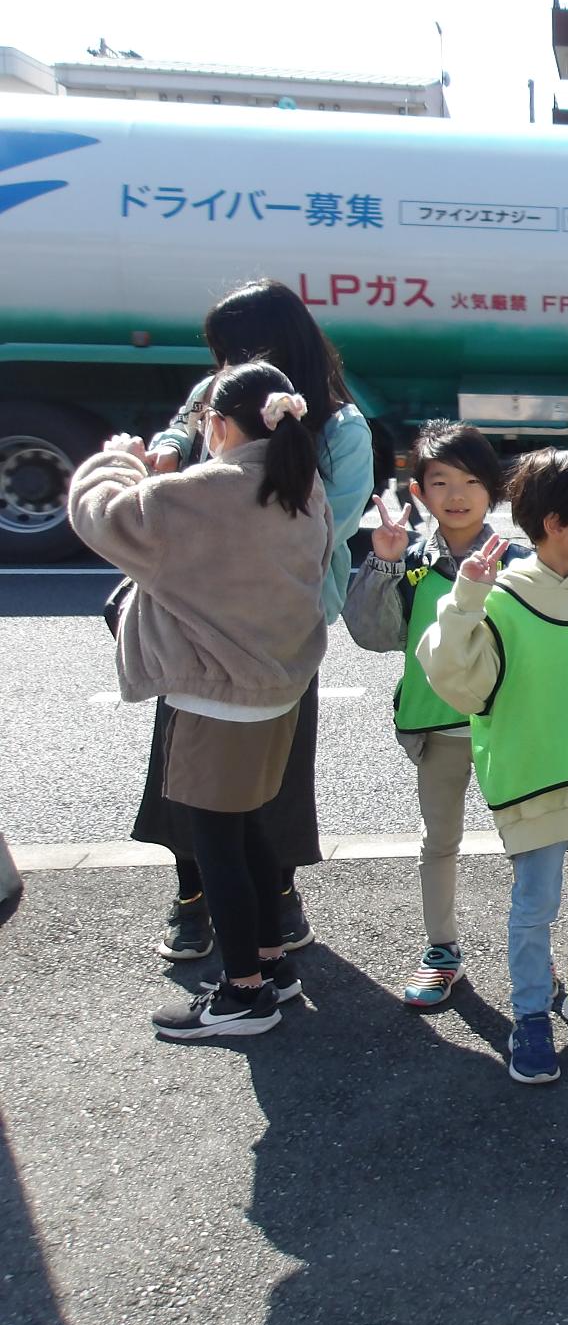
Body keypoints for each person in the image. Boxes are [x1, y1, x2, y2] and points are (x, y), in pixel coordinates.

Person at [70, 361, 334, 1037]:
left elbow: (103, 519)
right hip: (278, 691)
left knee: (217, 844)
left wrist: (117, 463)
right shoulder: (302, 483)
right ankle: (272, 963)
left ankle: (242, 994)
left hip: (216, 699)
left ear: (218, 423)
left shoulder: (213, 487)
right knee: (249, 833)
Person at [137, 279, 373, 962]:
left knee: (274, 772)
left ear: (265, 348)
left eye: (228, 352)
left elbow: (335, 525)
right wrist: (169, 446)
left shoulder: (339, 426)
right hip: (196, 616)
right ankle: (193, 897)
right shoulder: (217, 396)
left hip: (281, 627)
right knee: (185, 769)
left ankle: (276, 895)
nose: (219, 368)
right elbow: (180, 429)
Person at [418, 449, 568, 1085]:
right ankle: (530, 1015)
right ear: (556, 523)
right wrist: (465, 595)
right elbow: (450, 675)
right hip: (536, 781)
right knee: (536, 906)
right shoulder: (502, 599)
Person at [343, 421, 522, 1007]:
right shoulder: (411, 560)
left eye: (472, 480)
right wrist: (384, 565)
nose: (456, 494)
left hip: (503, 726)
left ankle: (531, 955)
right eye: (440, 481)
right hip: (434, 726)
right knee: (439, 842)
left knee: (526, 845)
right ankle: (441, 951)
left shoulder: (516, 562)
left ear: (493, 489)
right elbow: (373, 636)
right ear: (418, 490)